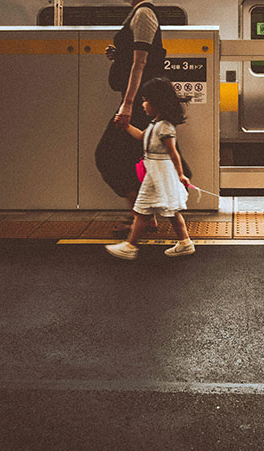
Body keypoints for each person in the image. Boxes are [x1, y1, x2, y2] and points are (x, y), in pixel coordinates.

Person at [96, 0, 166, 237]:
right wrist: (119, 54)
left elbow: (141, 62)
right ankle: (144, 217)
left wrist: (127, 105)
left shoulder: (144, 13)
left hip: (139, 102)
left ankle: (143, 216)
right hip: (137, 100)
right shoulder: (139, 13)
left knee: (107, 154)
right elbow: (135, 56)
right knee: (135, 157)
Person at [106, 77, 195, 260]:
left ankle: (130, 246)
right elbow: (141, 136)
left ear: (157, 103)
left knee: (142, 210)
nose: (143, 104)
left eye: (146, 100)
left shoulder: (164, 127)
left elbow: (173, 153)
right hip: (155, 173)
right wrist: (126, 126)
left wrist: (180, 175)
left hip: (160, 174)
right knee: (169, 211)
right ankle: (185, 243)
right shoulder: (155, 124)